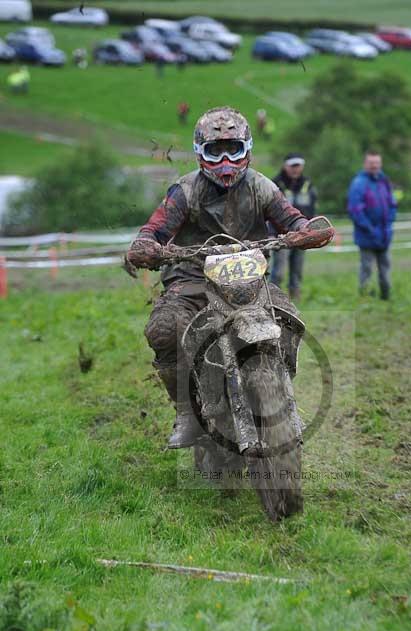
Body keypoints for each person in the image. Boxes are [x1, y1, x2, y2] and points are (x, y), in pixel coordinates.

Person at [125, 107, 333, 449]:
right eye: (215, 151)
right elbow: (155, 229)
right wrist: (148, 246)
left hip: (250, 279)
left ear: (247, 148)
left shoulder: (262, 187)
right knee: (163, 329)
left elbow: (292, 219)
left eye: (233, 149)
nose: (225, 160)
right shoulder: (185, 191)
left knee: (289, 318)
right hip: (192, 278)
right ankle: (187, 413)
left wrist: (305, 232)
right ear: (199, 153)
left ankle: (281, 382)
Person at [347, 151, 397, 300]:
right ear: (365, 164)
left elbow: (392, 204)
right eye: (371, 163)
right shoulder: (359, 183)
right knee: (367, 268)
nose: (374, 165)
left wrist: (389, 223)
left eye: (377, 162)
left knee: (385, 268)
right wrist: (369, 228)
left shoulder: (384, 181)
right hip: (367, 235)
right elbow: (355, 210)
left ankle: (385, 296)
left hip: (384, 234)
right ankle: (365, 297)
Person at [269, 153, 317, 301]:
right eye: (292, 166)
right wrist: (271, 233)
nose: (296, 169)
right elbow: (269, 211)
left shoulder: (308, 184)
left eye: (298, 166)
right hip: (281, 236)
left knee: (297, 270)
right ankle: (274, 299)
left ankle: (295, 298)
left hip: (303, 234)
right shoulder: (275, 184)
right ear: (285, 166)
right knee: (279, 271)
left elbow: (312, 207)